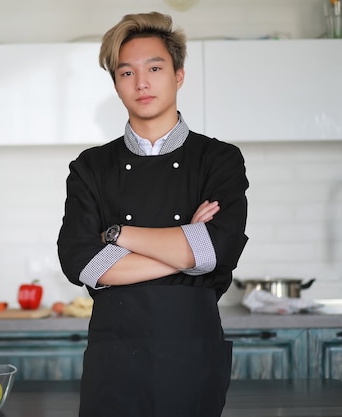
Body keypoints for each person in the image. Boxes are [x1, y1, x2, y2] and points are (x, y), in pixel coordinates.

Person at [57, 12, 249, 417]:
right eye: (126, 72)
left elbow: (217, 252)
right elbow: (82, 264)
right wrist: (184, 247)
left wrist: (118, 235)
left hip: (192, 356)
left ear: (179, 75)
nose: (141, 83)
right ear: (116, 84)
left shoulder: (219, 160)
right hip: (114, 359)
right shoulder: (90, 167)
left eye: (155, 68)